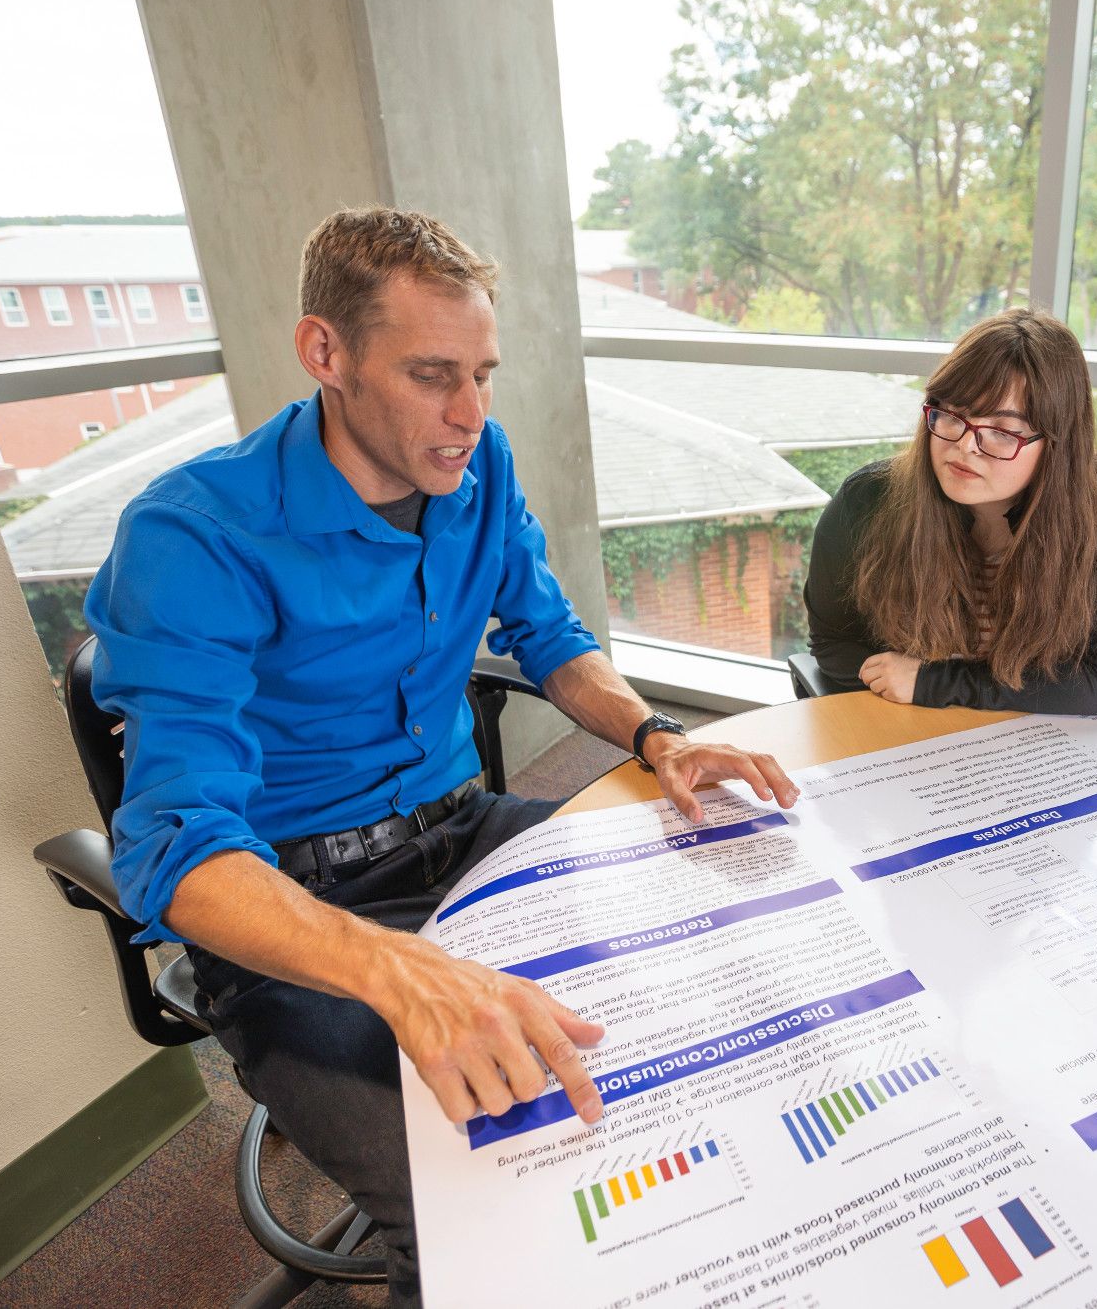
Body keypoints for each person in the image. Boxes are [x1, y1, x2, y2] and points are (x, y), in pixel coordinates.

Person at [85, 207, 799, 1304]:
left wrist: (658, 738)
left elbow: (551, 639)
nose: (469, 414)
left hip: (462, 832)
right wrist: (401, 969)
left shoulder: (478, 463)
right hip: (296, 900)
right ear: (325, 352)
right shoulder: (193, 537)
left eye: (482, 374)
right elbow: (175, 849)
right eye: (431, 375)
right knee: (468, 1208)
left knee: (710, 962)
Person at [803, 308, 1097, 714]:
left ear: (1058, 444)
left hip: (1036, 744)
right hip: (905, 728)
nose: (964, 446)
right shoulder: (867, 500)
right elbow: (831, 643)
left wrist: (936, 684)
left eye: (1002, 432)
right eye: (953, 414)